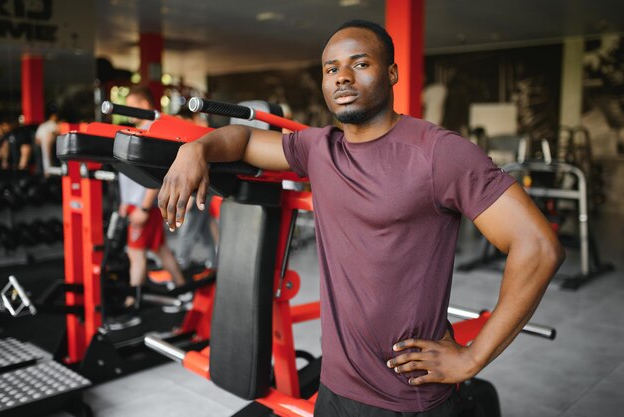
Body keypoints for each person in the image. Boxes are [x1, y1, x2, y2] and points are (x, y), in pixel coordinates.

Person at [157, 20, 565, 416]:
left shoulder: (438, 153)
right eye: (331, 69)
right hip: (335, 392)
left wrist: (473, 357)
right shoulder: (318, 148)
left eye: (360, 63)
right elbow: (244, 139)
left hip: (409, 399)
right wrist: (195, 150)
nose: (342, 77)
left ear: (391, 73)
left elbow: (539, 246)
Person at [118, 86, 186, 309]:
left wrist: (144, 208)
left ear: (145, 106)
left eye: (131, 105)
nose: (127, 111)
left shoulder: (152, 132)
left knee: (135, 254)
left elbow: (156, 175)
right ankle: (183, 288)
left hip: (143, 206)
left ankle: (131, 302)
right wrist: (124, 203)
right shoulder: (137, 131)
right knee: (160, 249)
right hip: (135, 205)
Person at [173, 106, 219, 271]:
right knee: (203, 232)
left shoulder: (200, 136)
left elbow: (202, 169)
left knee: (187, 233)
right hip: (197, 191)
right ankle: (214, 265)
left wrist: (191, 198)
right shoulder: (186, 137)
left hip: (198, 192)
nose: (178, 124)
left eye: (182, 121)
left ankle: (180, 267)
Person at [34, 104, 61, 176]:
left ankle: (48, 169)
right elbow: (37, 140)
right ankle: (48, 170)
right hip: (44, 146)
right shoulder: (48, 125)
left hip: (49, 145)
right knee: (47, 139)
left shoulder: (51, 124)